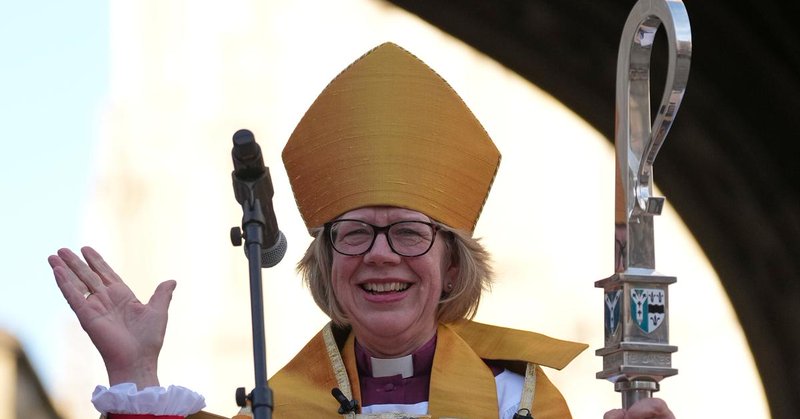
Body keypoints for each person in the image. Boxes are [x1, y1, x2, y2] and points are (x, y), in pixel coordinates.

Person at [49, 43, 674, 419]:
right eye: (353, 234)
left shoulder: (518, 403)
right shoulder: (278, 408)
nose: (380, 256)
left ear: (453, 265)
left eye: (407, 233)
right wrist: (134, 372)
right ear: (326, 265)